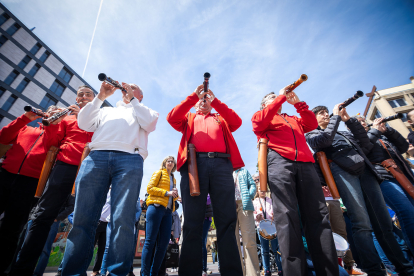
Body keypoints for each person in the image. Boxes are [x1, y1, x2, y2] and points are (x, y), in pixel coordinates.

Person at [61, 81, 159, 275]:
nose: (128, 88)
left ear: (140, 95)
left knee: (122, 220)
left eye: (134, 87)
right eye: (126, 87)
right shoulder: (106, 110)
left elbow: (149, 123)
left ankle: (116, 272)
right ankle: (72, 272)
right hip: (97, 156)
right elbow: (83, 122)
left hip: (130, 158)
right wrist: (101, 96)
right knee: (83, 217)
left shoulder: (145, 110)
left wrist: (133, 100)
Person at [306, 104, 414, 275]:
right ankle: (373, 270)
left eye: (327, 112)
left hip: (367, 173)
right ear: (314, 119)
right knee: (362, 223)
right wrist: (335, 117)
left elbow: (365, 144)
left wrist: (349, 121)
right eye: (321, 113)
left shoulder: (344, 132)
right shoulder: (312, 133)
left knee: (384, 223)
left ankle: (405, 268)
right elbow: (324, 141)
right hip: (343, 173)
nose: (326, 114)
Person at [251, 88, 338, 276]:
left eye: (277, 97)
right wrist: (280, 96)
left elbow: (311, 123)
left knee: (319, 216)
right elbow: (258, 124)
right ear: (265, 104)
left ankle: (329, 271)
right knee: (286, 217)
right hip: (279, 163)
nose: (277, 99)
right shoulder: (262, 115)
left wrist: (298, 104)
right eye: (271, 98)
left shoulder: (293, 118)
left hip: (306, 164)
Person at [9, 86, 95, 275]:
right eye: (80, 94)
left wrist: (84, 115)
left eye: (88, 94)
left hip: (91, 169)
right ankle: (21, 270)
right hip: (64, 167)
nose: (83, 96)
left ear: (95, 99)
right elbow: (51, 144)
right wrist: (54, 123)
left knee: (86, 221)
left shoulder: (100, 118)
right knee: (42, 216)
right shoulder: (67, 118)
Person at [167, 84, 244, 276]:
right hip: (195, 167)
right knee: (192, 221)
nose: (203, 103)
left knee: (226, 220)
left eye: (206, 101)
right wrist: (193, 96)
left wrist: (215, 101)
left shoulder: (221, 118)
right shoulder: (189, 117)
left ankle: (232, 272)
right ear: (194, 105)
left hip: (221, 165)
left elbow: (237, 121)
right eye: (200, 101)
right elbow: (172, 117)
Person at [0, 104, 64, 275]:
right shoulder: (26, 128)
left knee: (11, 229)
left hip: (29, 183)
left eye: (57, 113)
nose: (52, 114)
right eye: (51, 111)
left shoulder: (58, 136)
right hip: (5, 174)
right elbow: (4, 137)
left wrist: (54, 125)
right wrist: (24, 119)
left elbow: (52, 145)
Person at [360, 116, 414, 256]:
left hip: (402, 174)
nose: (363, 123)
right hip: (384, 178)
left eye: (363, 121)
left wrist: (388, 130)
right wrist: (375, 131)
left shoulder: (381, 134)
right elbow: (362, 152)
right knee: (407, 212)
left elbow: (403, 147)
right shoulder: (356, 138)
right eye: (358, 122)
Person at [18, 195, 74, 276]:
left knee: (45, 250)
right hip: (35, 218)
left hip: (52, 221)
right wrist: (32, 215)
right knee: (25, 247)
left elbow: (71, 206)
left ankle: (38, 273)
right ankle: (19, 271)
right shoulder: (44, 183)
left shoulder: (67, 187)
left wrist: (57, 218)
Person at [141, 156, 178, 276]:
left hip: (168, 212)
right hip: (155, 207)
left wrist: (176, 196)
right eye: (169, 161)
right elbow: (150, 188)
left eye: (172, 161)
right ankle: (145, 274)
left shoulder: (173, 178)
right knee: (150, 242)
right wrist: (167, 193)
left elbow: (172, 196)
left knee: (163, 245)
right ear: (165, 163)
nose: (171, 163)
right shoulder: (159, 173)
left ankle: (154, 273)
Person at [233, 167, 260, 276]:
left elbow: (252, 185)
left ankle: (253, 273)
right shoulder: (224, 169)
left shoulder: (243, 171)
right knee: (233, 243)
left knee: (249, 240)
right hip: (230, 206)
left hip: (245, 205)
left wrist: (248, 196)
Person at [253, 187, 282, 276]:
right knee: (264, 250)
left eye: (264, 189)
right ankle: (267, 270)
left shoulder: (270, 200)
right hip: (261, 228)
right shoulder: (255, 202)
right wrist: (257, 216)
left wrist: (274, 215)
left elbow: (275, 212)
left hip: (271, 227)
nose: (262, 191)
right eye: (260, 189)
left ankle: (280, 269)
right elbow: (253, 214)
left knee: (276, 249)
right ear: (257, 190)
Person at [202, 195, 213, 275]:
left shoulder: (207, 188)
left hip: (206, 218)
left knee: (202, 242)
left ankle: (203, 268)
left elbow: (208, 200)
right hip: (197, 218)